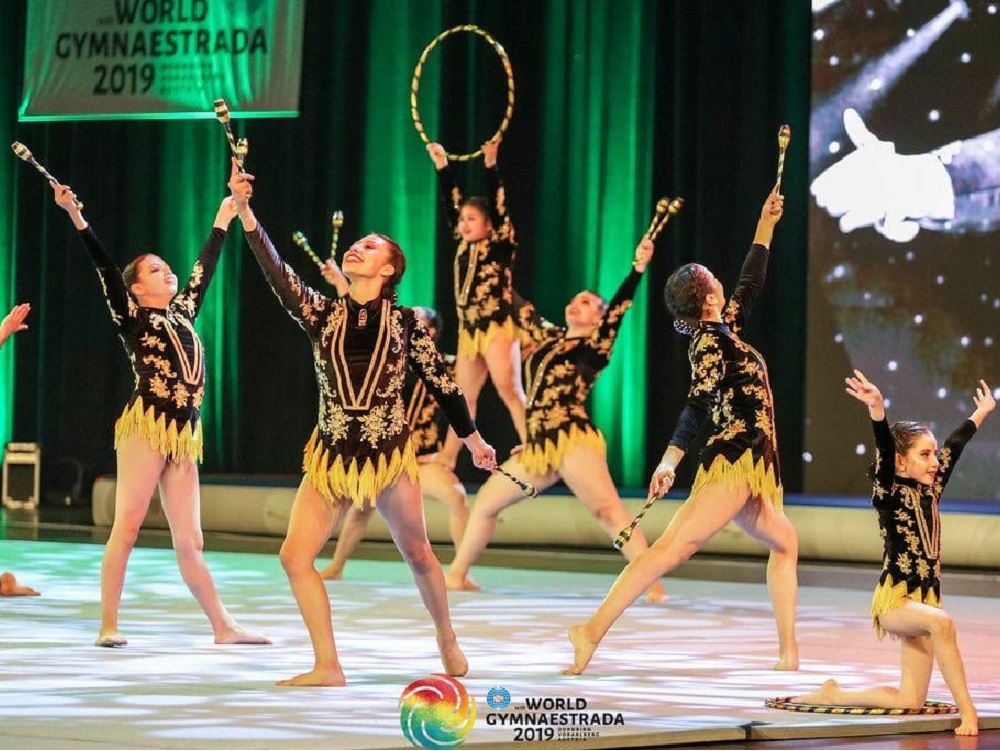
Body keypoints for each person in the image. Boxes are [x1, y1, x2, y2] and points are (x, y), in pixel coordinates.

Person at [229, 164, 497, 687]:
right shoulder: (321, 313)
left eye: (372, 247)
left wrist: (475, 441)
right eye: (358, 243)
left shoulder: (406, 324)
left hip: (388, 453)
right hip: (331, 455)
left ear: (390, 270)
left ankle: (445, 633)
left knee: (418, 553)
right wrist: (244, 210)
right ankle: (327, 665)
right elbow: (276, 270)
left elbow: (445, 387)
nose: (358, 247)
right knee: (294, 555)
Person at [564, 186, 800, 675]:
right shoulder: (709, 346)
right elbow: (697, 405)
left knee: (785, 542)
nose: (723, 283)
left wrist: (766, 223)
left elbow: (751, 281)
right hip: (733, 457)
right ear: (709, 298)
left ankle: (788, 653)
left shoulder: (722, 332)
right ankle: (589, 631)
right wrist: (670, 459)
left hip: (753, 462)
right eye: (716, 280)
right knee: (672, 549)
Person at [52, 168, 269, 648]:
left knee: (191, 540)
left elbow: (203, 268)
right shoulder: (131, 314)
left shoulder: (183, 310)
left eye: (165, 266)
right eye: (154, 269)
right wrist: (75, 215)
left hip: (184, 431)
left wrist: (224, 213)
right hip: (147, 424)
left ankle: (223, 626)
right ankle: (109, 623)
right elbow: (106, 267)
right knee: (127, 527)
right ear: (135, 289)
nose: (167, 271)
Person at [444, 237, 668, 604]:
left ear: (598, 317)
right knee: (486, 503)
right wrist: (489, 264)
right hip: (539, 444)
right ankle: (456, 574)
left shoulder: (595, 347)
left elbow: (619, 311)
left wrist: (637, 270)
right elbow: (517, 306)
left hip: (572, 438)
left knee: (607, 510)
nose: (575, 305)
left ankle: (652, 584)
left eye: (586, 303)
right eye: (574, 300)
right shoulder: (547, 338)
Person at [792, 371, 993, 737]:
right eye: (925, 454)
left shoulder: (932, 488)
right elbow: (884, 448)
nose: (934, 462)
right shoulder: (888, 490)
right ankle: (969, 711)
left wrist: (981, 413)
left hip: (925, 599)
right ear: (902, 462)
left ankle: (836, 692)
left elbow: (956, 444)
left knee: (909, 701)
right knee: (942, 623)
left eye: (933, 455)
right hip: (896, 603)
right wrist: (877, 409)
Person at [319, 306, 470, 580]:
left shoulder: (446, 365)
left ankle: (461, 571)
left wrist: (450, 453)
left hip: (423, 459)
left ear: (431, 331)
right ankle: (337, 564)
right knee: (360, 509)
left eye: (416, 320)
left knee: (457, 499)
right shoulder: (387, 359)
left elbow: (466, 397)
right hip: (386, 457)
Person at [428, 139, 527, 466]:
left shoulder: (500, 243)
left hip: (496, 325)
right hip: (469, 330)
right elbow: (450, 202)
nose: (464, 224)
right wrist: (442, 164)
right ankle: (449, 457)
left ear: (488, 225)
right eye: (463, 220)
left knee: (508, 388)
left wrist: (490, 164)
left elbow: (500, 207)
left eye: (472, 219)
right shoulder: (461, 242)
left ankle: (532, 443)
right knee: (461, 397)